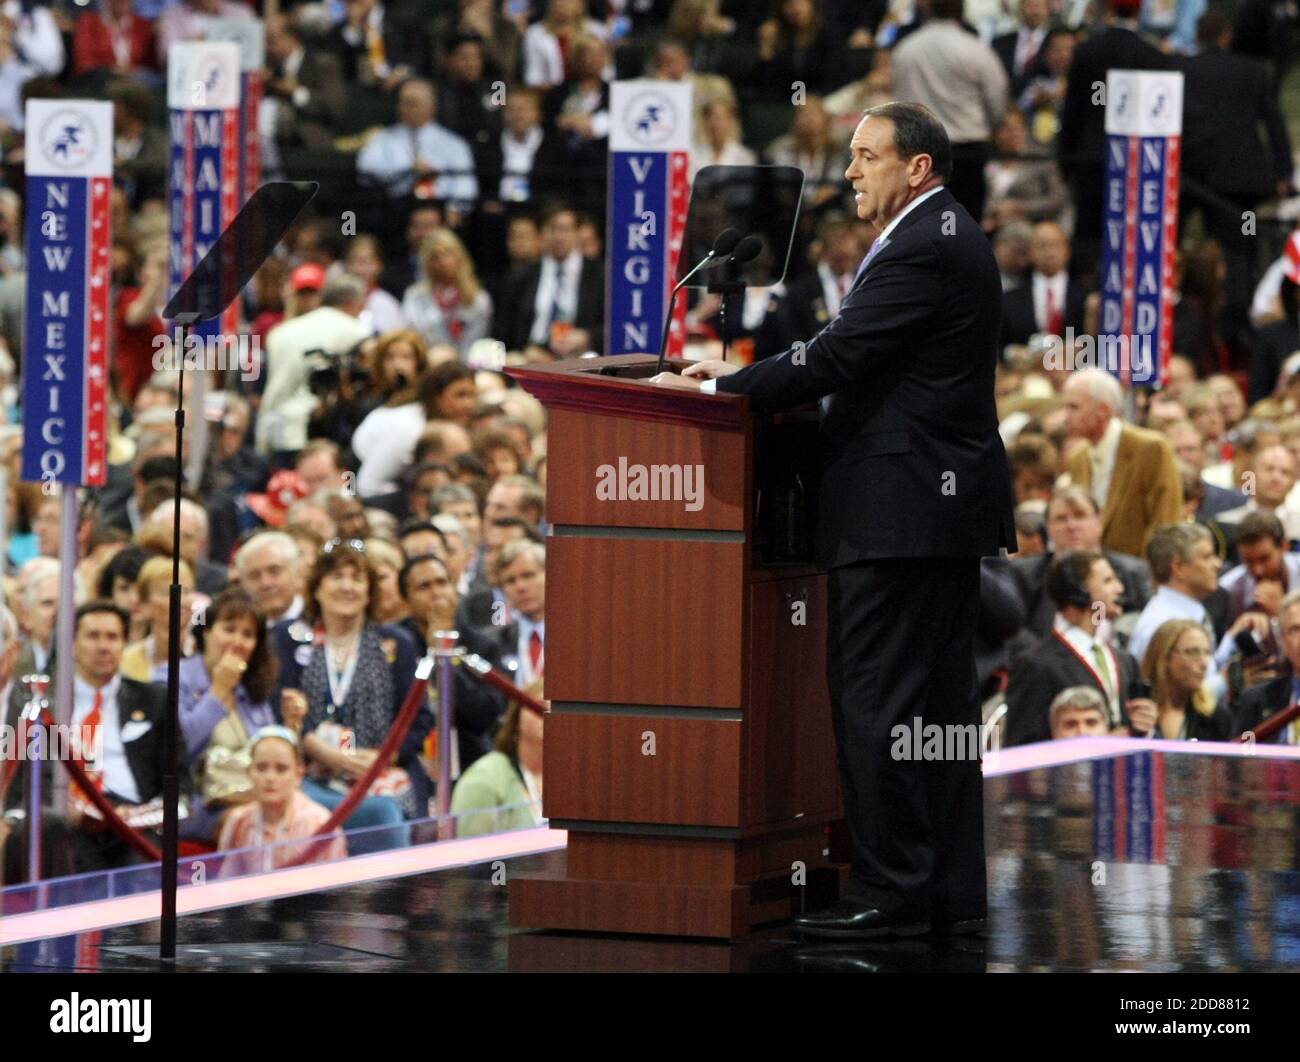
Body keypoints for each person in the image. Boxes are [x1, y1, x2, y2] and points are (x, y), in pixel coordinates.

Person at [651, 102, 1016, 939]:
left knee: (879, 701)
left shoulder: (926, 240)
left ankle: (891, 894)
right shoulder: (942, 233)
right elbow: (854, 347)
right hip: (932, 509)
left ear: (915, 167)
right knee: (935, 709)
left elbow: (841, 353)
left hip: (900, 512)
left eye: (865, 155)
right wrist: (745, 372)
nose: (849, 170)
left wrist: (720, 390)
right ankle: (942, 890)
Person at [270, 541, 427, 853]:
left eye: (357, 579)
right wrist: (327, 754)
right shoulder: (288, 638)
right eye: (337, 576)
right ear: (317, 588)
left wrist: (383, 758)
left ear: (369, 592)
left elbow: (420, 719)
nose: (347, 587)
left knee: (386, 808)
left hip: (378, 769)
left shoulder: (397, 643)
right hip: (308, 770)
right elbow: (277, 710)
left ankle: (395, 896)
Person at [157, 587, 301, 845]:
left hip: (259, 794)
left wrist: (291, 730)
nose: (237, 641)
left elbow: (267, 753)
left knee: (311, 815)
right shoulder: (171, 677)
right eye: (229, 629)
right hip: (198, 803)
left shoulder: (251, 688)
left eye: (248, 634)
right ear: (207, 631)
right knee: (257, 821)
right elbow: (177, 748)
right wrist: (219, 690)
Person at [67, 602, 183, 872]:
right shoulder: (49, 701)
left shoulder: (154, 699)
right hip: (71, 814)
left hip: (133, 815)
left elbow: (178, 775)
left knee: (141, 860)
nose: (104, 646)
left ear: (124, 644)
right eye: (93, 636)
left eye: (113, 637)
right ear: (72, 644)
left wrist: (146, 812)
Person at [1005, 550, 1156, 746]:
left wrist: (1146, 725)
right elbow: (1021, 747)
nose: (1119, 588)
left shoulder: (1126, 660)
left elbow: (1135, 732)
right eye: (1108, 581)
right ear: (1079, 591)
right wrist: (1101, 744)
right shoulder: (1036, 665)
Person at [1062, 368, 1184, 559]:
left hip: (1142, 576)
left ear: (1103, 410)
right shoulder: (1077, 458)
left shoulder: (1151, 448)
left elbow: (1166, 522)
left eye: (1074, 407)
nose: (1066, 417)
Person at [217, 726, 347, 871]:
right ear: (249, 773)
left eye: (281, 769)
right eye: (261, 768)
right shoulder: (238, 822)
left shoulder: (320, 824)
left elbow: (334, 888)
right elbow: (228, 884)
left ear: (298, 775)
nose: (270, 778)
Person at [449, 680, 544, 836]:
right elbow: (471, 855)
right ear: (517, 717)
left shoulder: (576, 776)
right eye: (539, 706)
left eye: (557, 708)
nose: (547, 713)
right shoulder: (484, 778)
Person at [1139, 619, 1235, 741]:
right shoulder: (1137, 712)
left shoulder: (1217, 719)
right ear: (1165, 656)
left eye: (1207, 653)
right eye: (1193, 652)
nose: (1204, 664)